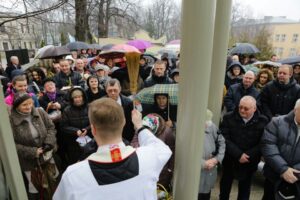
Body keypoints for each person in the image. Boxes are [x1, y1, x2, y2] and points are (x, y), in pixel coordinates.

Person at [53, 98, 172, 200]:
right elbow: (162, 148)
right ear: (124, 123)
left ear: (93, 129)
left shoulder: (74, 175)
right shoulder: (147, 158)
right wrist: (139, 126)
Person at [9, 92, 58, 199]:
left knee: (54, 179)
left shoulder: (40, 112)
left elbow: (51, 127)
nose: (29, 107)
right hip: (29, 162)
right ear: (17, 106)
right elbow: (11, 144)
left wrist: (48, 143)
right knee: (36, 187)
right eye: (24, 105)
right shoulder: (11, 120)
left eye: (30, 103)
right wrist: (33, 152)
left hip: (47, 156)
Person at [219, 96, 268, 200]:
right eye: (240, 107)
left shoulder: (263, 121)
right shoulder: (229, 117)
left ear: (254, 109)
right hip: (230, 159)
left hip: (249, 161)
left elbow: (263, 142)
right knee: (225, 187)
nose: (242, 110)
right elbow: (223, 138)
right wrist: (238, 154)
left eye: (246, 108)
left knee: (245, 189)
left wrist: (248, 156)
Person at [261, 99, 300, 200]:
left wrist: (295, 172)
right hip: (274, 176)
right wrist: (283, 169)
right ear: (295, 110)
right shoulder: (277, 122)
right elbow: (268, 146)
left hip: (297, 180)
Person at [131, 113, 175, 191]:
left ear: (154, 127)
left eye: (149, 130)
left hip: (162, 171)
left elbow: (172, 152)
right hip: (146, 169)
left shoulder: (167, 132)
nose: (147, 133)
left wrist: (170, 170)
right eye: (145, 130)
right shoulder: (141, 130)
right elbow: (134, 142)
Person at [198, 109, 225, 200]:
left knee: (206, 194)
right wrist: (203, 163)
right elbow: (185, 154)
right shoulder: (189, 131)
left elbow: (222, 142)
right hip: (195, 175)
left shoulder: (212, 126)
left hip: (209, 172)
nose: (207, 126)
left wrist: (216, 159)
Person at [60, 87, 92, 165]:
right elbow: (63, 126)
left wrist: (87, 129)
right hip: (73, 143)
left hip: (90, 140)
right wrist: (75, 131)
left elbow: (95, 122)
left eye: (79, 97)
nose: (77, 99)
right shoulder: (67, 110)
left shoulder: (90, 107)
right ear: (72, 99)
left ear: (83, 97)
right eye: (75, 97)